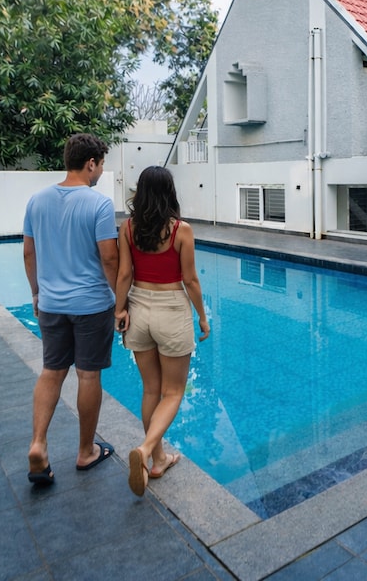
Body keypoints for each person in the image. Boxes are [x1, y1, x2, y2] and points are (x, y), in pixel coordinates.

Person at [23, 133, 119, 486]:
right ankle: (85, 451)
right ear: (90, 163)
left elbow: (28, 253)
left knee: (52, 371)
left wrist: (36, 293)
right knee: (88, 376)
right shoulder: (99, 204)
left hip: (51, 304)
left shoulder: (37, 201)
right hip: (92, 305)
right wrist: (122, 301)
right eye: (101, 164)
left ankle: (38, 444)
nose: (101, 171)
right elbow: (109, 258)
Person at [114, 165, 209, 496]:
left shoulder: (128, 228)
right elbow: (190, 280)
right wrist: (202, 317)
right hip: (171, 311)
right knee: (173, 392)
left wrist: (120, 310)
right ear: (170, 192)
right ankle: (145, 450)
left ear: (140, 192)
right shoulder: (181, 230)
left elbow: (124, 274)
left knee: (150, 390)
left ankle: (158, 460)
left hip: (139, 310)